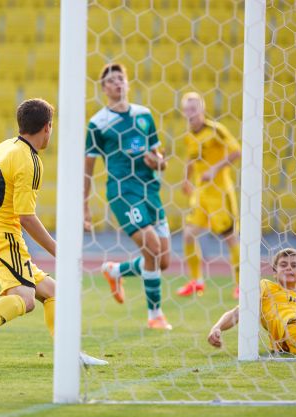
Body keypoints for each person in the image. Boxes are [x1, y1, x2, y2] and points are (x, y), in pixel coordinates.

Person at [0, 98, 107, 368]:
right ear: (47, 128)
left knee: (52, 291)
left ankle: (69, 355)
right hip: (4, 240)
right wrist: (60, 251)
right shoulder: (29, 160)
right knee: (26, 299)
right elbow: (26, 216)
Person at [84, 63, 172, 330]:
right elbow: (88, 168)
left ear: (127, 83)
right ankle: (155, 315)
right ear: (103, 88)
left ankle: (116, 270)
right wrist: (84, 207)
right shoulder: (98, 123)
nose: (117, 83)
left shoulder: (144, 116)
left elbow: (161, 160)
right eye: (111, 81)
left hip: (150, 192)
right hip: (123, 193)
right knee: (153, 249)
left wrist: (157, 162)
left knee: (163, 261)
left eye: (121, 78)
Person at [177, 92, 241, 299]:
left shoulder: (216, 130)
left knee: (231, 238)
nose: (191, 113)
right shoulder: (189, 136)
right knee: (188, 235)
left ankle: (241, 285)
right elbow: (190, 159)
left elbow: (236, 151)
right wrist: (186, 179)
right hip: (201, 194)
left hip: (220, 193)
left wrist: (215, 169)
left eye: (194, 109)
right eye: (187, 110)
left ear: (202, 110)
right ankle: (196, 282)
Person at [208, 248, 296, 355]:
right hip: (290, 326)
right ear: (274, 272)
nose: (288, 268)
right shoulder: (266, 286)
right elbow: (240, 310)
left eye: (294, 265)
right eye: (283, 265)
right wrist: (217, 327)